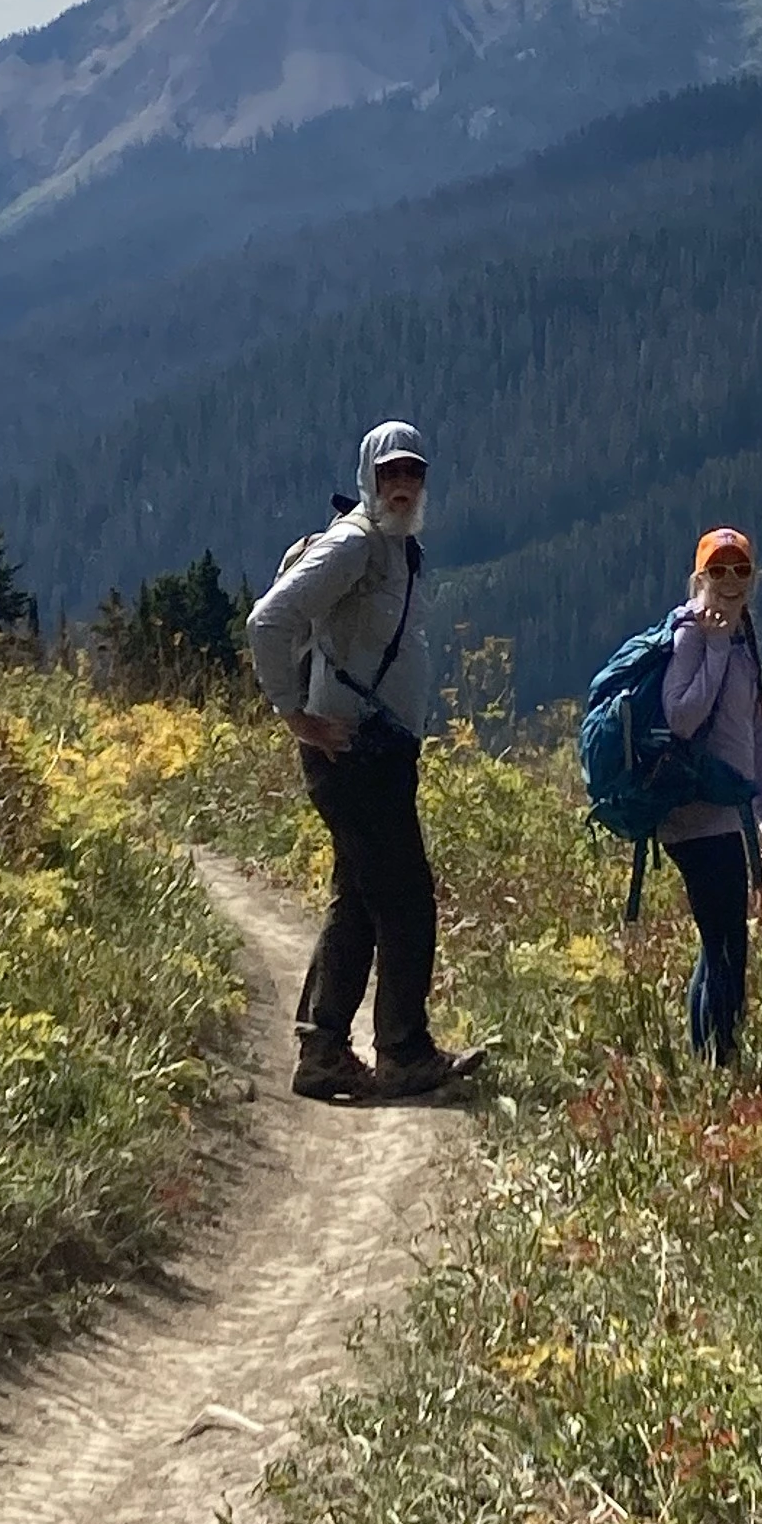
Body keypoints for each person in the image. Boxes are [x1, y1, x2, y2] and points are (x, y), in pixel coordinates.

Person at [245, 420, 484, 1106]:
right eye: (391, 474)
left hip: (376, 751)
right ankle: (403, 1052)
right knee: (406, 900)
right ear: (367, 479)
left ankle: (322, 1053)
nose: (404, 485)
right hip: (350, 753)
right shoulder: (354, 544)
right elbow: (268, 621)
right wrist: (291, 711)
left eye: (413, 474)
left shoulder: (394, 548)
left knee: (358, 901)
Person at [656, 527, 762, 1060]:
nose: (730, 581)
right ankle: (718, 1058)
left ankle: (710, 1055)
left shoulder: (741, 638)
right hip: (693, 816)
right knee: (726, 945)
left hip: (726, 815)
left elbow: (754, 736)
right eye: (719, 570)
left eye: (740, 570)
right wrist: (711, 650)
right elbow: (682, 717)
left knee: (722, 944)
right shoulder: (693, 634)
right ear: (700, 577)